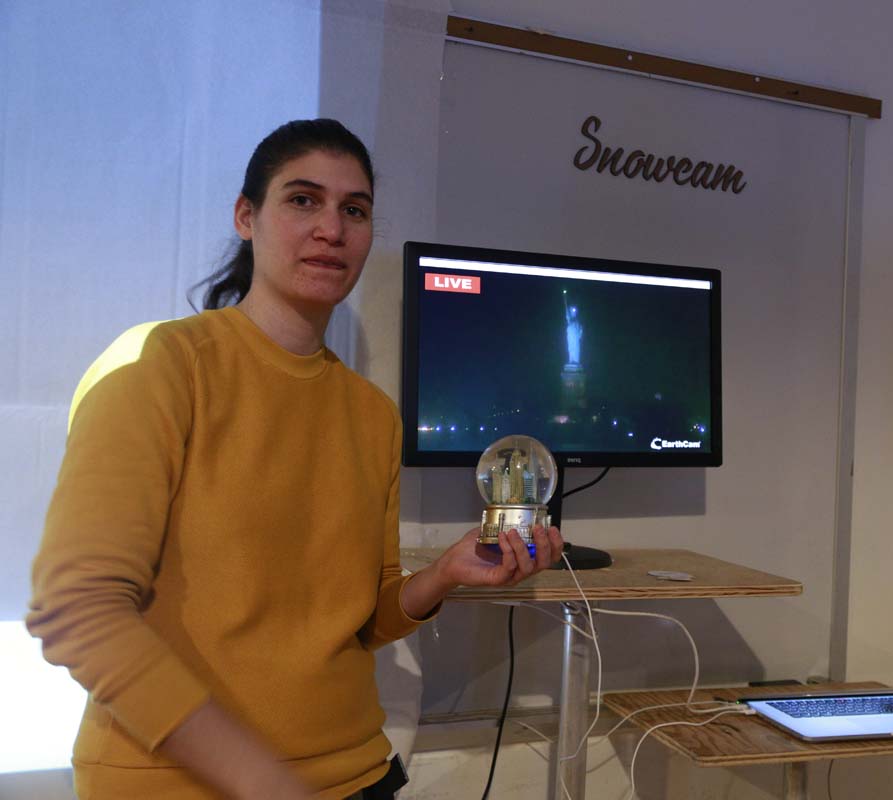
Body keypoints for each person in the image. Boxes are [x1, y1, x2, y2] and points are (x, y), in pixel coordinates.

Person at [26, 119, 564, 800]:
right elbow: (77, 608)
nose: (331, 229)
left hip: (356, 774)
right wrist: (264, 782)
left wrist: (444, 577)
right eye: (303, 200)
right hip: (179, 785)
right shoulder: (160, 365)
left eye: (354, 210)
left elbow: (360, 620)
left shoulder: (371, 413)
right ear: (247, 217)